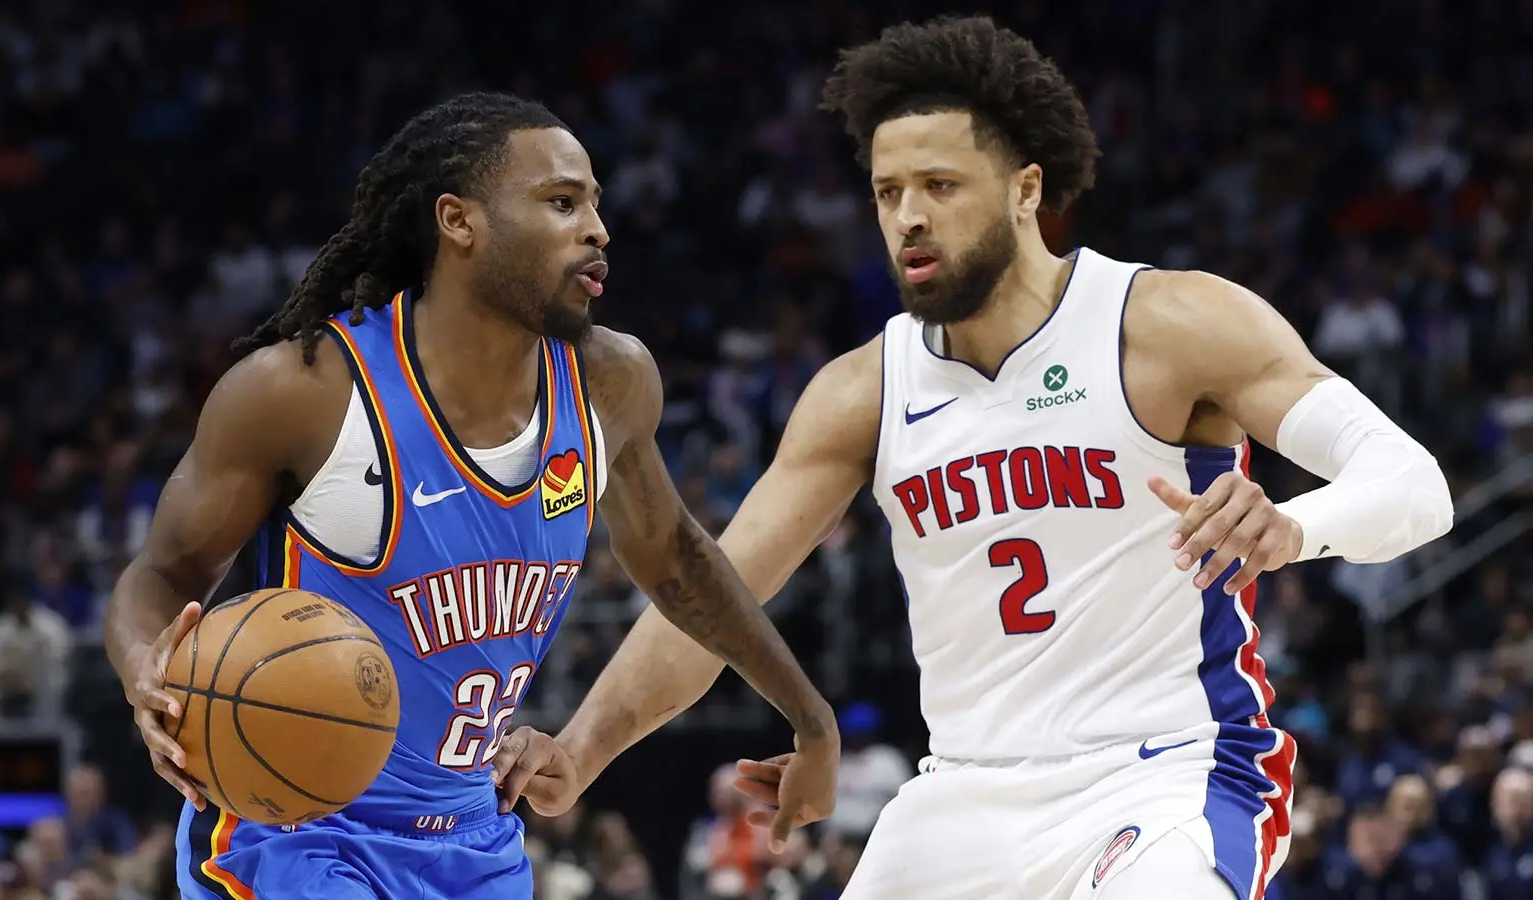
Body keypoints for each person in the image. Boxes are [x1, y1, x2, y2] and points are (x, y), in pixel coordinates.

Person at [493, 16, 1456, 900]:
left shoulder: (1168, 323)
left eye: (940, 186)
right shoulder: (863, 391)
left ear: (1026, 189)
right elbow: (711, 597)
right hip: (961, 793)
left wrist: (1292, 527)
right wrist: (581, 748)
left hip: (1163, 772)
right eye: (888, 192)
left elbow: (1415, 486)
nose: (908, 216)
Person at [101, 91, 839, 899]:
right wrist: (145, 669)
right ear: (459, 221)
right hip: (296, 834)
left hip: (474, 839)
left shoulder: (610, 383)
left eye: (596, 203)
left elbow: (678, 563)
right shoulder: (304, 393)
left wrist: (810, 716)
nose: (598, 229)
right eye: (561, 202)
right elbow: (162, 574)